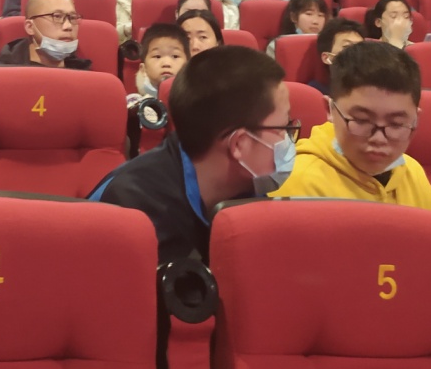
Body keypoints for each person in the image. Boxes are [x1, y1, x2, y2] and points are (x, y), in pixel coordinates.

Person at [90, 45, 295, 263]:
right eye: (283, 128)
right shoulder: (130, 212)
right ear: (239, 144)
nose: (289, 140)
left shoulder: (247, 191)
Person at [269, 42, 431, 209]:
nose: (379, 139)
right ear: (330, 109)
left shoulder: (411, 171)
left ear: (416, 119)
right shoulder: (298, 182)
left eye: (396, 124)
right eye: (362, 121)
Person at [0, 0, 91, 69]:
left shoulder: (84, 76)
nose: (68, 26)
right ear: (30, 27)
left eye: (73, 17)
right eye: (57, 16)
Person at [309, 18, 367, 93]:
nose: (357, 52)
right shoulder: (314, 92)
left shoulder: (373, 88)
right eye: (347, 47)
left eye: (361, 47)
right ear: (326, 58)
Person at [264, 0, 329, 59]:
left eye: (320, 15)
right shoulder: (277, 46)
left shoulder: (329, 45)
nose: (315, 21)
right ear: (293, 17)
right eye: (309, 14)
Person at [135, 22, 189, 96]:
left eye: (175, 56)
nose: (166, 63)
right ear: (143, 69)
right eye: (157, 56)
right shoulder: (135, 101)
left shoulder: (198, 100)